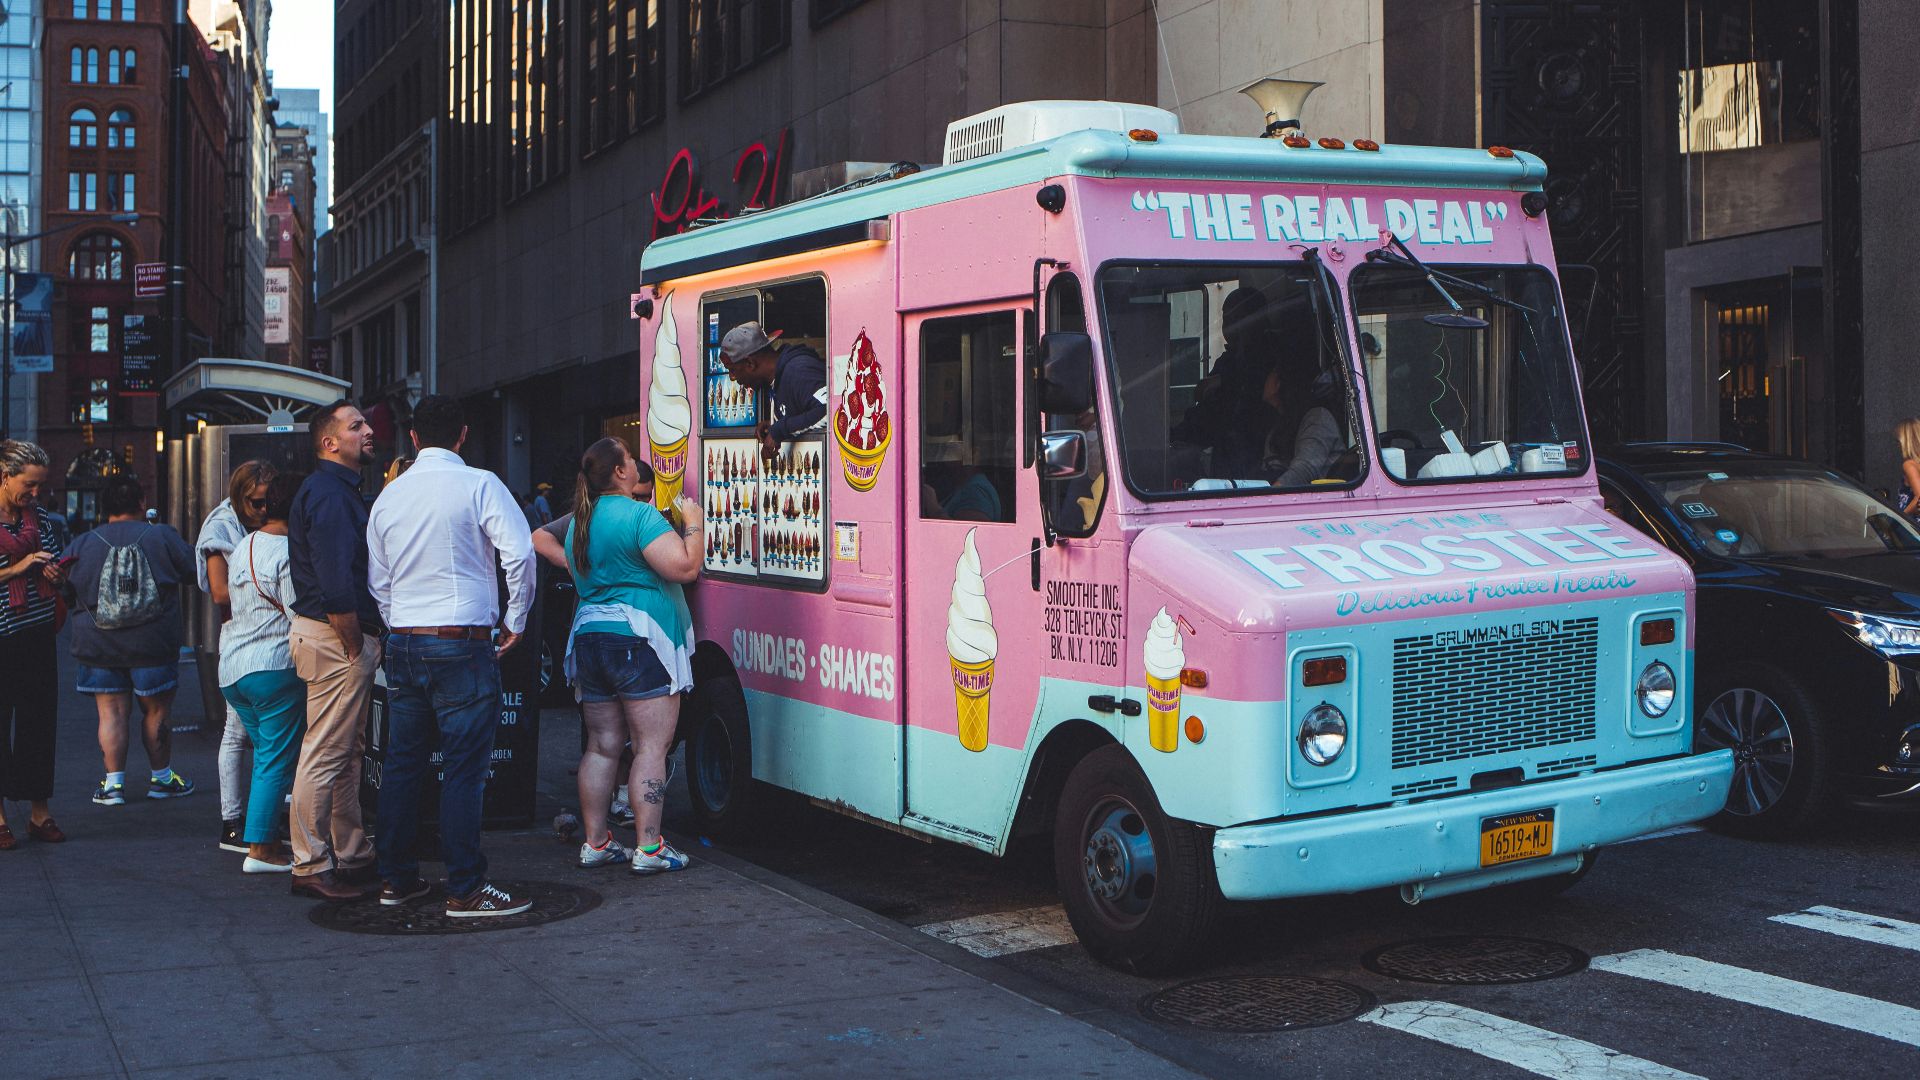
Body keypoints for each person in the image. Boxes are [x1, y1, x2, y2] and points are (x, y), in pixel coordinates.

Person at [367, 395, 537, 916]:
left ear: (413, 439)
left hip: (405, 639)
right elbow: (520, 552)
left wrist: (402, 622)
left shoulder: (388, 500)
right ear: (463, 435)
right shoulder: (479, 484)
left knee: (403, 764)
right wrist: (516, 619)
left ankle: (396, 878)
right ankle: (464, 886)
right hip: (462, 641)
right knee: (464, 768)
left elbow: (379, 581)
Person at [563, 437, 703, 873]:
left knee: (603, 747)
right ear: (621, 473)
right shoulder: (639, 515)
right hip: (639, 637)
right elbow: (683, 567)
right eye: (628, 459)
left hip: (588, 635)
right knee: (650, 747)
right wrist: (694, 524)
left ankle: (596, 843)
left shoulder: (579, 523)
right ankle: (649, 848)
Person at [286, 400, 383, 901]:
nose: (368, 431)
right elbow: (335, 582)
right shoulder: (328, 493)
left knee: (346, 753)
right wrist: (353, 643)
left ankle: (350, 853)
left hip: (335, 634)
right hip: (334, 635)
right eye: (356, 426)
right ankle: (309, 863)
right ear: (330, 442)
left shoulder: (334, 490)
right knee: (325, 752)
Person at [67, 476, 197, 807]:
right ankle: (162, 779)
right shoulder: (161, 536)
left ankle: (113, 787)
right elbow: (194, 572)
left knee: (110, 713)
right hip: (153, 642)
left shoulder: (83, 543)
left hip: (99, 644)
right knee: (156, 713)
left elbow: (66, 590)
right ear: (141, 503)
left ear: (102, 508)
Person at [219, 472, 307, 874]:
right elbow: (298, 612)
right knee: (275, 760)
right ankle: (261, 850)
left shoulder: (243, 546)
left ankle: (267, 836)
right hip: (273, 666)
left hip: (234, 669)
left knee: (269, 759)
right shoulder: (287, 551)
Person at [197, 459, 277, 855]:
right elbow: (218, 592)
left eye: (266, 503)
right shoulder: (221, 528)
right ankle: (234, 820)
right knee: (238, 732)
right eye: (256, 502)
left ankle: (255, 818)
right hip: (241, 638)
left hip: (264, 637)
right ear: (240, 496)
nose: (262, 510)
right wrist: (261, 580)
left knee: (263, 737)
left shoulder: (256, 525)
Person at [0, 441, 68, 849]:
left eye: (41, 486)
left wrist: (56, 573)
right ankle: (1, 817)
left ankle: (39, 814)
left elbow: (53, 554)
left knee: (39, 722)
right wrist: (20, 568)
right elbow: (20, 567)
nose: (36, 494)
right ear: (5, 477)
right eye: (29, 485)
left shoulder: (37, 515)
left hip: (37, 628)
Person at [1171, 287, 1276, 479]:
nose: (1228, 326)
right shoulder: (1228, 359)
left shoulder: (1269, 357)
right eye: (1226, 319)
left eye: (1237, 319)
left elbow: (1237, 404)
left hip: (1249, 449)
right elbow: (1203, 393)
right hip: (1219, 443)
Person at [719, 321, 828, 462]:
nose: (732, 378)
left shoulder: (798, 371)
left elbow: (830, 410)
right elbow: (805, 413)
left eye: (733, 370)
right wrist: (774, 426)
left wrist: (780, 429)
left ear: (750, 363)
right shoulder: (776, 381)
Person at [1897, 418, 1920, 518]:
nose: (1897, 444)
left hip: (1913, 524)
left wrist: (1901, 517)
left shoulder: (1909, 464)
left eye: (1898, 440)